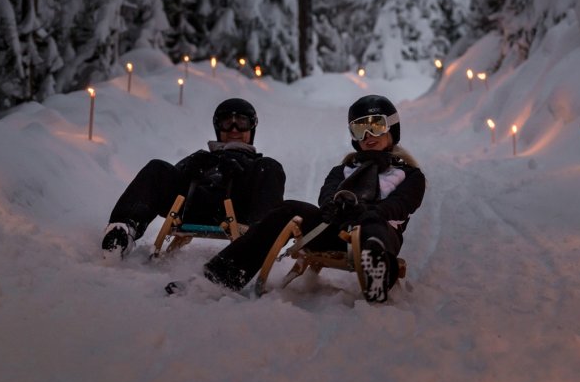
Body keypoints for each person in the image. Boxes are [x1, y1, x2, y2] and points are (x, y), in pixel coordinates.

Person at [173, 94, 425, 303]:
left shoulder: (409, 174)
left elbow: (402, 204)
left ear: (392, 128)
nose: (369, 134)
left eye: (376, 125)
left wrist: (370, 212)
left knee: (372, 227)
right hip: (336, 228)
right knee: (289, 209)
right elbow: (326, 194)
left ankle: (377, 270)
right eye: (360, 128)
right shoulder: (343, 170)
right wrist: (334, 206)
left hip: (378, 230)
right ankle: (220, 276)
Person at [101, 98, 286, 255]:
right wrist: (189, 169)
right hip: (191, 207)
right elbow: (164, 184)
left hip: (238, 209)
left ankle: (261, 239)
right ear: (217, 127)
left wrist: (242, 171)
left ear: (252, 128)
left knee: (271, 167)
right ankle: (122, 230)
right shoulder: (202, 158)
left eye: (242, 122)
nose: (234, 129)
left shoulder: (257, 166)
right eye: (226, 122)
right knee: (158, 167)